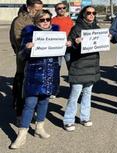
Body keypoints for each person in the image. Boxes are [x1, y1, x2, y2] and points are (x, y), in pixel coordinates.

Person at [10, 10, 71, 149]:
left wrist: (68, 45)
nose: (45, 22)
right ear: (36, 21)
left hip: (50, 73)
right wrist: (26, 48)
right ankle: (22, 134)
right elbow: (21, 56)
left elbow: (62, 53)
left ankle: (39, 128)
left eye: (48, 19)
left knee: (44, 102)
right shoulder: (30, 34)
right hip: (34, 74)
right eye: (42, 20)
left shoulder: (57, 34)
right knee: (30, 104)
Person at [63, 6, 101, 131]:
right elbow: (69, 44)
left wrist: (107, 38)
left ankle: (85, 117)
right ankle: (68, 120)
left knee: (87, 94)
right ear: (83, 14)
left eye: (93, 13)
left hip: (92, 66)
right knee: (75, 95)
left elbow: (102, 42)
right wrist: (75, 42)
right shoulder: (77, 28)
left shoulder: (97, 28)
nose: (91, 15)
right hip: (79, 66)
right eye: (88, 12)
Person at [9, 0, 43, 123]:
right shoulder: (19, 21)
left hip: (38, 62)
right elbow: (17, 41)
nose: (40, 12)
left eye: (42, 9)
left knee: (34, 90)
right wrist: (29, 49)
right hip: (24, 61)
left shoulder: (39, 19)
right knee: (21, 90)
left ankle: (31, 112)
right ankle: (19, 115)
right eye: (37, 9)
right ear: (29, 8)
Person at [51, 2, 74, 97]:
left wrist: (71, 41)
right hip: (57, 49)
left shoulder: (70, 20)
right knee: (55, 69)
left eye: (63, 8)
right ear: (56, 10)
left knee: (72, 69)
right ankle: (55, 90)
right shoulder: (52, 20)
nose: (61, 9)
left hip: (68, 49)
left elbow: (73, 33)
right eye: (59, 8)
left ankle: (73, 90)